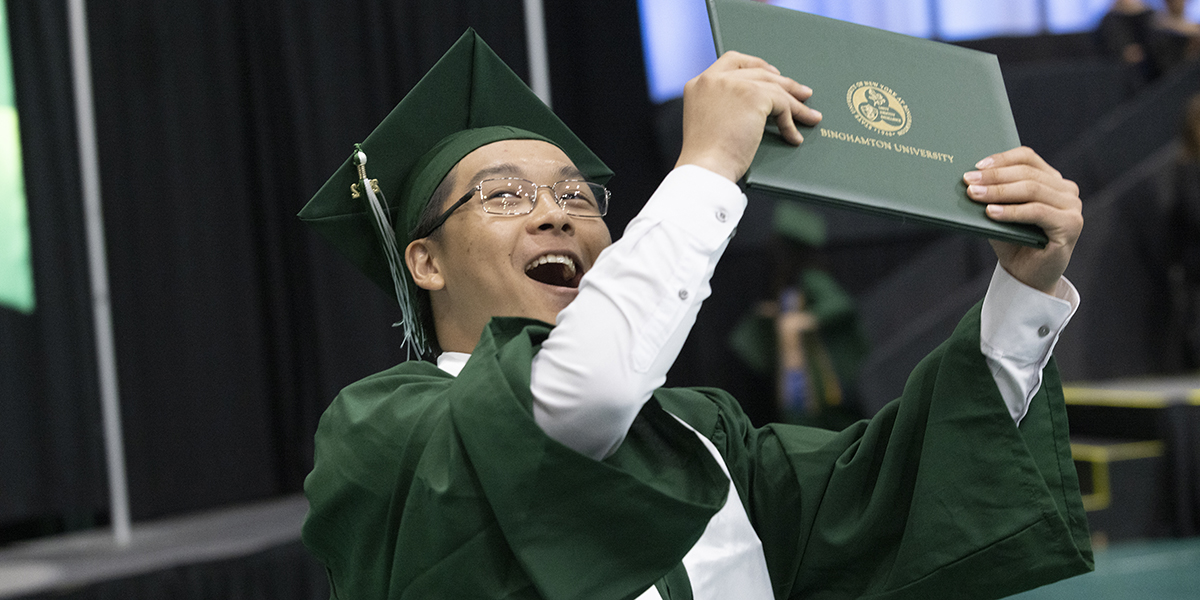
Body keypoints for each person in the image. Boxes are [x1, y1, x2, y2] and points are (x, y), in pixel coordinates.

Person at [299, 30, 1091, 599]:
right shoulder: (382, 430)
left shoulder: (699, 433)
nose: (558, 215)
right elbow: (576, 401)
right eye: (507, 195)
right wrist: (709, 164)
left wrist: (1022, 289)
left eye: (579, 196)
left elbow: (889, 490)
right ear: (425, 262)